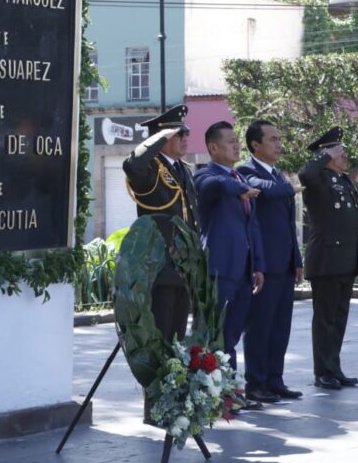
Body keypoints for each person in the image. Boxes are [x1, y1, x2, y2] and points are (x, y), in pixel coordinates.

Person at [194, 121, 265, 408]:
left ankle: (230, 393)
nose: (237, 145)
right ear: (213, 147)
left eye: (237, 141)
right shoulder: (205, 176)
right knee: (216, 335)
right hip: (219, 270)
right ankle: (217, 395)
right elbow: (213, 185)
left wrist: (258, 265)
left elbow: (253, 227)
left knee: (231, 335)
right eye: (231, 141)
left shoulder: (238, 181)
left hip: (244, 270)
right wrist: (238, 187)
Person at [237, 121, 304, 402]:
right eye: (273, 139)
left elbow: (290, 224)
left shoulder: (278, 175)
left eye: (279, 138)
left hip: (285, 264)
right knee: (260, 327)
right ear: (255, 145)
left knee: (280, 327)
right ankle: (256, 383)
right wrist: (294, 185)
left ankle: (275, 380)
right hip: (263, 265)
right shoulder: (245, 172)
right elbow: (267, 192)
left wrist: (297, 259)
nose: (279, 144)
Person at [122, 104, 199, 344]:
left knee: (176, 336)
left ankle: (171, 382)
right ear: (161, 137)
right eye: (178, 134)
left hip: (183, 265)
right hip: (159, 265)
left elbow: (191, 218)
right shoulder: (150, 169)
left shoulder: (183, 169)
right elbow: (132, 164)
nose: (185, 138)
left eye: (186, 133)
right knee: (160, 333)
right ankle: (156, 383)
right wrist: (159, 137)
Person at [299, 127, 358, 390]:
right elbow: (305, 173)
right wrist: (324, 156)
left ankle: (334, 368)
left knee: (338, 318)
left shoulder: (344, 180)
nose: (344, 155)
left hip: (345, 260)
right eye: (339, 151)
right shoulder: (319, 178)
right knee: (324, 320)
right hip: (326, 260)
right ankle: (322, 371)